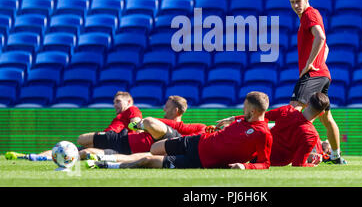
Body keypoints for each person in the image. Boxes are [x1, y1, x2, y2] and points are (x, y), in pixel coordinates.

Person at [87, 91, 273, 170]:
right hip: (195, 142)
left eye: (244, 107)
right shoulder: (245, 119)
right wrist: (233, 118)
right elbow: (242, 120)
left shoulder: (263, 133)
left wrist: (245, 166)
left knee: (147, 160)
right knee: (153, 149)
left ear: (253, 111)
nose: (242, 110)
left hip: (199, 160)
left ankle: (107, 164)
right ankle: (111, 158)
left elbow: (265, 163)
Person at [288, 0, 347, 164]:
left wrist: (310, 64)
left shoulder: (309, 14)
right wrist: (320, 63)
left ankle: (299, 153)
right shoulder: (309, 16)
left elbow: (321, 38)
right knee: (326, 118)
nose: (296, 5)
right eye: (292, 2)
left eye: (298, 1)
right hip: (323, 74)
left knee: (292, 111)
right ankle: (336, 157)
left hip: (313, 74)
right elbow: (326, 47)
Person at [4, 91, 143, 161]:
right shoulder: (119, 116)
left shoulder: (132, 109)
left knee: (80, 141)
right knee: (67, 149)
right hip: (106, 142)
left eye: (118, 102)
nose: (115, 105)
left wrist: (134, 127)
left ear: (129, 101)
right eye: (114, 103)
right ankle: (31, 157)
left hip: (116, 141)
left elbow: (136, 123)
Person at [217, 92, 331, 167]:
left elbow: (259, 116)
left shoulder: (287, 110)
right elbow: (298, 164)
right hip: (275, 163)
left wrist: (234, 118)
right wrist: (312, 165)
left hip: (255, 153)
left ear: (307, 103)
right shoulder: (312, 135)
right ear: (321, 113)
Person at [79, 95, 206, 161]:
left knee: (85, 152)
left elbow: (193, 135)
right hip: (125, 140)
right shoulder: (159, 126)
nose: (163, 109)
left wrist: (141, 123)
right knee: (82, 140)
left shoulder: (178, 131)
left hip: (127, 151)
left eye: (167, 107)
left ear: (176, 110)